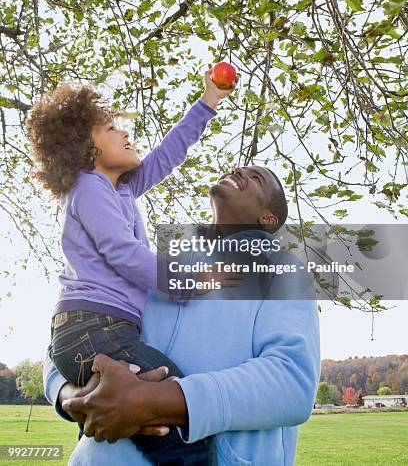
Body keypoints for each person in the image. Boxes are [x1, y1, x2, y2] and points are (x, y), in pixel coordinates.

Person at [26, 69, 237, 465]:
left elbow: (166, 157)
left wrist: (208, 103)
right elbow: (123, 253)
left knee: (149, 415)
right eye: (109, 128)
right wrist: (184, 280)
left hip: (97, 330)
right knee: (176, 402)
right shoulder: (89, 187)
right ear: (86, 148)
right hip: (92, 329)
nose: (125, 133)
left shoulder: (117, 189)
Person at [44, 165, 321, 465]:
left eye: (256, 179)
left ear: (268, 219)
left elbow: (292, 383)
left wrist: (157, 402)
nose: (240, 171)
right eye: (241, 169)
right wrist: (72, 394)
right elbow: (70, 334)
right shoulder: (154, 265)